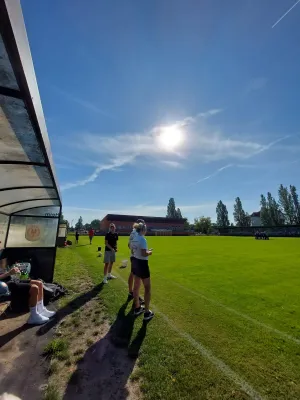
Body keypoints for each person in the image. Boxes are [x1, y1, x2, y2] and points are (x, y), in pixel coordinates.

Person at [0, 256, 55, 325]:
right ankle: (34, 316)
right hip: (7, 285)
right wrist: (8, 273)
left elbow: (4, 269)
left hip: (13, 279)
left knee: (39, 283)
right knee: (34, 288)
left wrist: (14, 271)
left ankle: (41, 310)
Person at [131, 221, 154, 321]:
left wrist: (144, 251)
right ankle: (147, 312)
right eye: (146, 229)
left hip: (135, 262)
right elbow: (144, 253)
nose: (146, 230)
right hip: (142, 264)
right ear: (143, 229)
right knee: (147, 288)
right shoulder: (142, 239)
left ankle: (137, 308)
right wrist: (149, 252)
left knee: (136, 287)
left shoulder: (134, 239)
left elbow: (132, 250)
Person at [127, 219, 144, 304]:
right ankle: (136, 296)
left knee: (132, 273)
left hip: (133, 256)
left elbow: (128, 245)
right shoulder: (137, 232)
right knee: (137, 277)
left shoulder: (132, 232)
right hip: (136, 257)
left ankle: (131, 291)